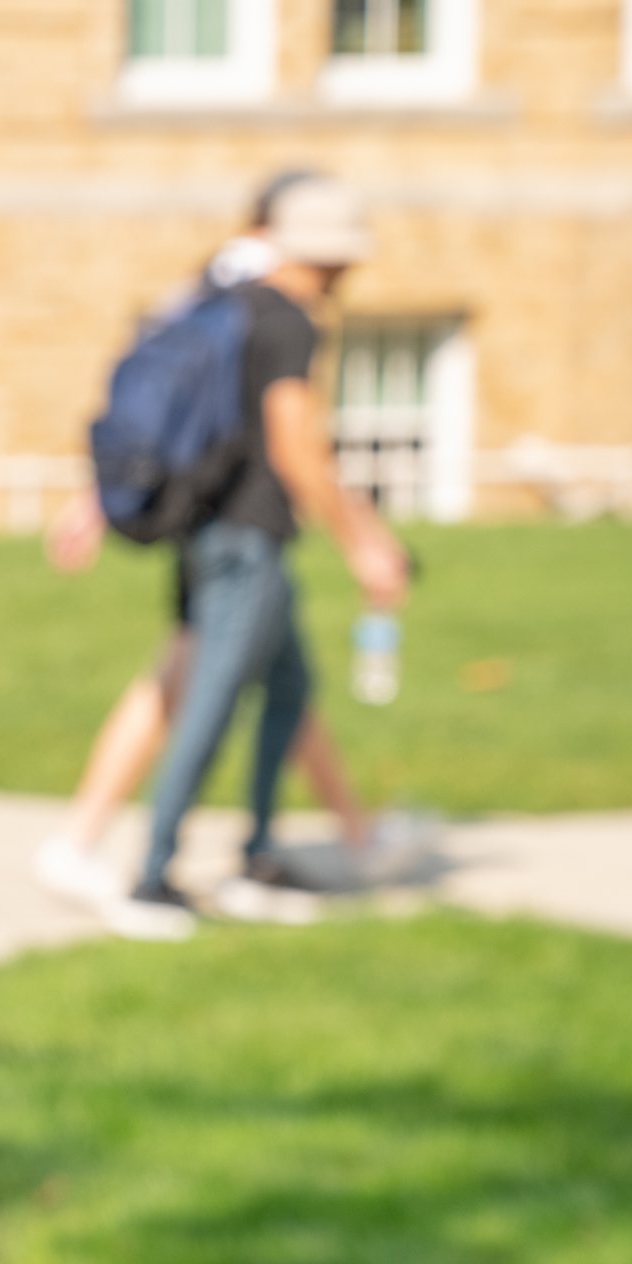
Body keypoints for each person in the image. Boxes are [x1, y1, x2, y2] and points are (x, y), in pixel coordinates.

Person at [114, 171, 410, 939]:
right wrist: (363, 541)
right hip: (247, 543)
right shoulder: (286, 321)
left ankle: (261, 858)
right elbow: (294, 443)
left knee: (290, 690)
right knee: (210, 705)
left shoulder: (228, 307)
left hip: (211, 532)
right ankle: (151, 877)